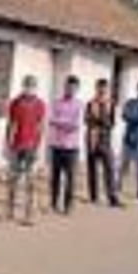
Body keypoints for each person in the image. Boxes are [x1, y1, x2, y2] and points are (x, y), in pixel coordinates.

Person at [5, 75, 46, 226]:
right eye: (27, 85)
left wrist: (37, 148)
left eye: (32, 85)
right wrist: (7, 145)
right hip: (16, 146)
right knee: (13, 179)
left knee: (30, 181)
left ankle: (29, 214)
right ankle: (9, 210)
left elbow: (40, 126)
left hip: (31, 147)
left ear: (36, 87)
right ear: (23, 85)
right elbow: (11, 124)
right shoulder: (15, 103)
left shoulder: (40, 104)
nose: (29, 88)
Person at [47, 76, 83, 215]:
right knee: (55, 177)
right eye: (68, 87)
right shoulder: (57, 103)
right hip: (56, 145)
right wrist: (65, 122)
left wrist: (60, 122)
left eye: (73, 87)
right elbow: (51, 120)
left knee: (70, 178)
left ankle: (68, 206)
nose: (70, 89)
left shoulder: (79, 105)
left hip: (71, 147)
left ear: (77, 89)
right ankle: (53, 203)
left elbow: (75, 125)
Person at [85, 78, 120, 207]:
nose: (102, 90)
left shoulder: (110, 104)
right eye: (100, 87)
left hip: (105, 139)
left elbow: (112, 122)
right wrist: (97, 121)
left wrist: (101, 121)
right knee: (92, 169)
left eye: (104, 88)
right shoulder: (90, 103)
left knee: (109, 169)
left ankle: (112, 197)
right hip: (93, 138)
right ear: (96, 88)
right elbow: (87, 120)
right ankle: (94, 196)